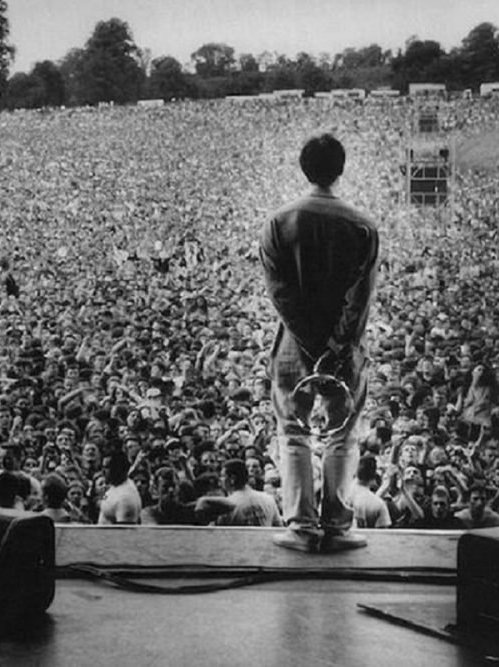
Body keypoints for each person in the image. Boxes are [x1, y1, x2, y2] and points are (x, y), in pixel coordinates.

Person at [260, 133, 379, 553]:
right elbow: (360, 298)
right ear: (340, 169)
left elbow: (280, 295)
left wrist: (309, 344)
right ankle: (337, 526)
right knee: (343, 433)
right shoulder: (362, 225)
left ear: (304, 168)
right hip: (344, 350)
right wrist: (336, 346)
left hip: (293, 344)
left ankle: (301, 526)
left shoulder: (279, 221)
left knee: (292, 431)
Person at [195, 458, 283, 526]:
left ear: (232, 479)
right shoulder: (268, 499)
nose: (220, 481)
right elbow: (278, 528)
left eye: (223, 476)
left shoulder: (226, 506)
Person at [97, 449, 142, 524]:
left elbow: (124, 534)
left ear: (118, 468)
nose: (103, 471)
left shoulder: (126, 498)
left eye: (107, 467)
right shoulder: (113, 486)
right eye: (103, 467)